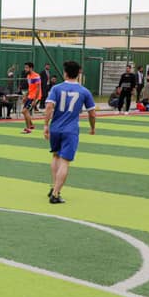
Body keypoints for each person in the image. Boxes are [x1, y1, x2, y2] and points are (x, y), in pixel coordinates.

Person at [43, 60, 96, 204]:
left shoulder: (56, 88)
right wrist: (92, 128)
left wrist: (46, 125)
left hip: (55, 128)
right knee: (65, 161)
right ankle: (56, 194)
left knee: (55, 156)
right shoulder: (84, 91)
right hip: (70, 130)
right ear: (78, 73)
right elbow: (92, 113)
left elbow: (49, 107)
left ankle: (53, 186)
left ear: (65, 73)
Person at [20, 62, 42, 134]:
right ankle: (31, 125)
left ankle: (28, 129)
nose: (25, 69)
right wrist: (25, 96)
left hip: (35, 97)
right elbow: (30, 88)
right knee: (24, 111)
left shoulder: (36, 76)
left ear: (31, 68)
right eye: (25, 67)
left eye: (26, 67)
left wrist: (35, 100)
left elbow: (38, 89)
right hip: (30, 96)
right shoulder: (28, 76)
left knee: (25, 111)